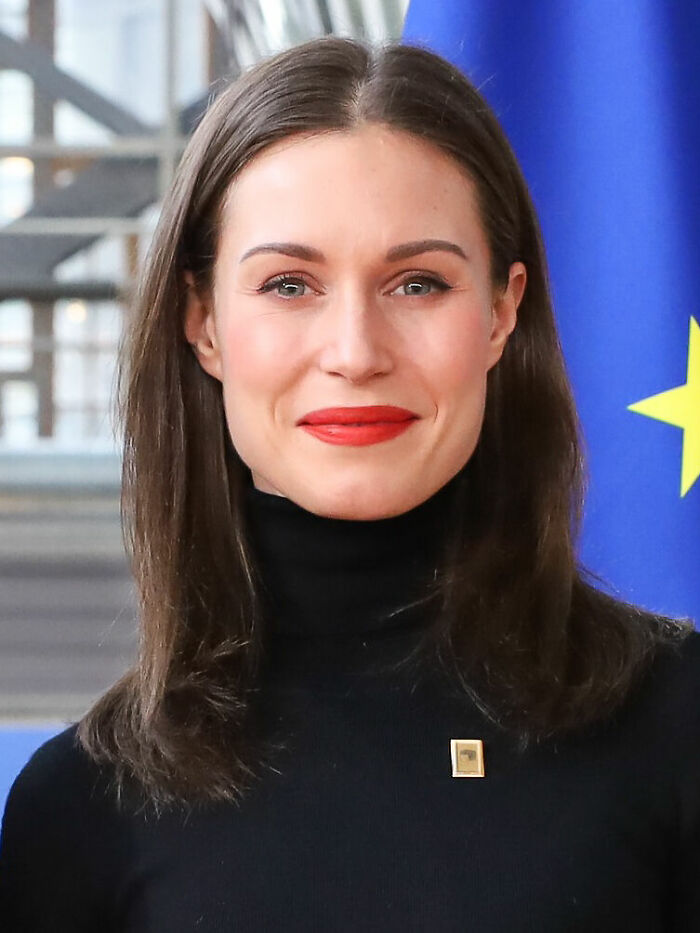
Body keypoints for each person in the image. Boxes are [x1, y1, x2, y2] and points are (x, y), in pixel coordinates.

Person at [0, 35, 698, 932]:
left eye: (416, 284)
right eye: (290, 285)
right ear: (203, 322)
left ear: (501, 309)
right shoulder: (84, 807)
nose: (356, 353)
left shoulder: (676, 725)